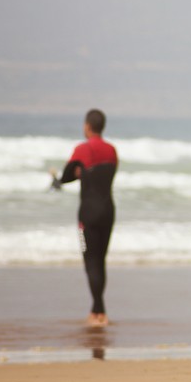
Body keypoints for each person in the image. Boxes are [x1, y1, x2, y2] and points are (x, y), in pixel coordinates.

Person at [49, 109, 119, 327]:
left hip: (88, 214)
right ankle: (98, 312)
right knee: (101, 260)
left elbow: (65, 178)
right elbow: (99, 175)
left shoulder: (82, 149)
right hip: (108, 211)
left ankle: (99, 312)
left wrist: (56, 179)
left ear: (87, 126)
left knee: (90, 261)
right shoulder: (111, 150)